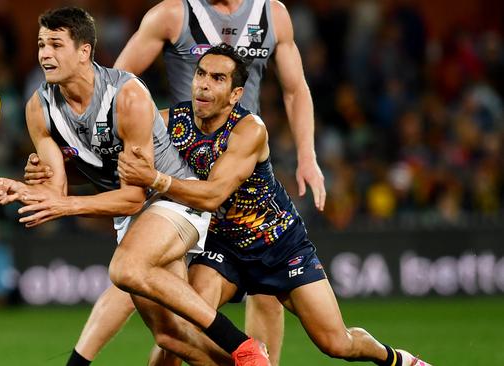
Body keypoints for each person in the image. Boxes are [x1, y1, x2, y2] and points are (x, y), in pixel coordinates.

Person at [24, 1, 325, 364]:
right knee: (169, 325)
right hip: (180, 159)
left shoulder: (272, 15)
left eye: (55, 45)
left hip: (235, 167)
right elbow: (111, 90)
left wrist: (307, 155)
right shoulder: (171, 14)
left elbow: (295, 89)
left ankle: (246, 351)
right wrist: (82, 146)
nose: (46, 53)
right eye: (43, 45)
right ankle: (243, 351)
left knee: (146, 274)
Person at [117, 44, 432, 366]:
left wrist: (155, 178)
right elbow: (114, 140)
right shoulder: (167, 122)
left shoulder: (249, 130)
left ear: (235, 93)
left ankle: (396, 359)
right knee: (182, 327)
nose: (204, 84)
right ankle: (251, 357)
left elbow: (213, 195)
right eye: (200, 74)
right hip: (221, 247)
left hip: (279, 245)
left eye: (217, 78)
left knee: (337, 343)